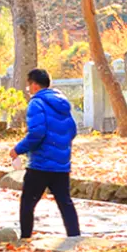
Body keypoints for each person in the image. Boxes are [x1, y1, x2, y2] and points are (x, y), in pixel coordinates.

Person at [10, 68, 80, 239]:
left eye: (29, 85)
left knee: (27, 202)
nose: (28, 89)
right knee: (65, 202)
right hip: (61, 163)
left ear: (34, 85)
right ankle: (75, 237)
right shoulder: (62, 103)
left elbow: (37, 133)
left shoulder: (36, 103)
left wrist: (17, 149)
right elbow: (72, 129)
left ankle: (25, 238)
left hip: (41, 164)